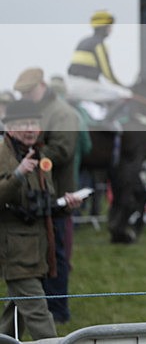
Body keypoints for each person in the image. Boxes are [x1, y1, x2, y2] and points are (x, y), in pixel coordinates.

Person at [0, 100, 81, 340]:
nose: (30, 129)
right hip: (14, 251)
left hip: (38, 250)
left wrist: (65, 204)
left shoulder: (39, 156)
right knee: (39, 315)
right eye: (23, 123)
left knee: (15, 314)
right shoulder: (4, 156)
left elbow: (42, 203)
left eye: (34, 123)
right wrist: (18, 174)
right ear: (9, 128)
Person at [13, 67, 81, 323]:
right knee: (45, 254)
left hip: (57, 194)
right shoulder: (45, 111)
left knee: (55, 255)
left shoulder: (61, 113)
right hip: (42, 195)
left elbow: (63, 150)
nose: (25, 97)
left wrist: (28, 155)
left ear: (41, 86)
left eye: (28, 92)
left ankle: (57, 311)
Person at [67, 10, 132, 104]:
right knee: (123, 95)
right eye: (109, 27)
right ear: (104, 28)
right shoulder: (99, 45)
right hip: (87, 86)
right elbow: (107, 73)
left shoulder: (83, 41)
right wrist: (123, 86)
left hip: (71, 84)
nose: (111, 30)